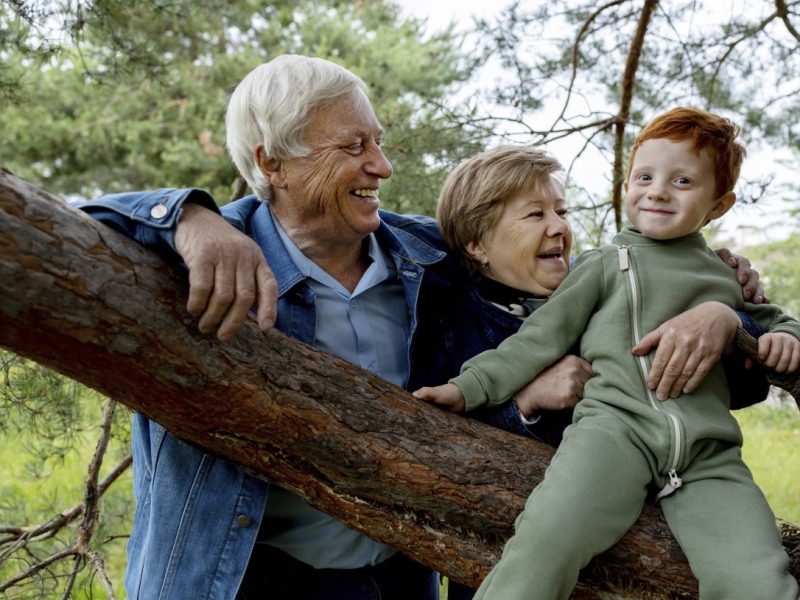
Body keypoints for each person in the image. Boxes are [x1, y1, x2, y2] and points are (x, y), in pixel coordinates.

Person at [73, 54, 766, 599]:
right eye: (353, 146)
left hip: (397, 576)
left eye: (378, 141)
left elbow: (598, 284)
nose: (383, 165)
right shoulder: (199, 254)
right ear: (270, 162)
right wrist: (189, 215)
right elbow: (70, 232)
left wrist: (718, 300)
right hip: (242, 578)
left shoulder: (428, 254)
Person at [414, 108, 800, 599]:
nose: (558, 227)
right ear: (477, 243)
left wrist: (750, 325)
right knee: (547, 540)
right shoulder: (589, 273)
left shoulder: (720, 275)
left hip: (706, 451)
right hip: (614, 437)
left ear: (718, 205)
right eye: (536, 214)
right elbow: (532, 345)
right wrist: (479, 392)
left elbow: (761, 352)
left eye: (563, 211)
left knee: (758, 574)